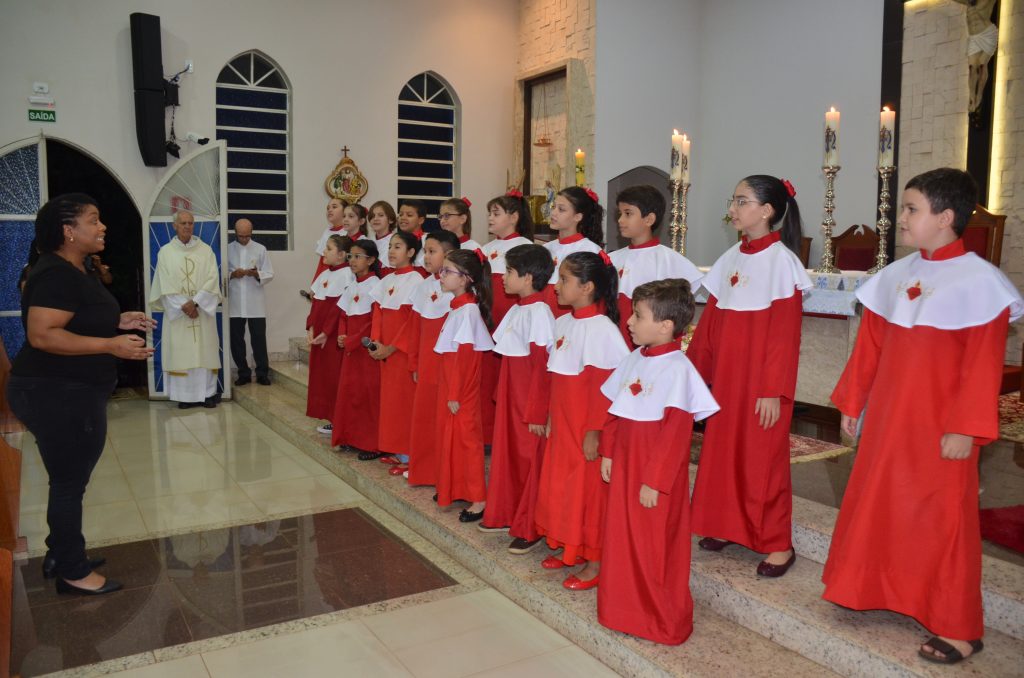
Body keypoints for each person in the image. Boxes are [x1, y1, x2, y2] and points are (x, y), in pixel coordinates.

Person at [822, 168, 1023, 665]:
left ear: (946, 217)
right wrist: (854, 402)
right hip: (890, 418)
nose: (902, 218)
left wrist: (966, 428)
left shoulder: (981, 283)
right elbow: (870, 346)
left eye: (912, 209)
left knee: (943, 517)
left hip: (942, 424)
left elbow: (983, 365)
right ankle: (873, 588)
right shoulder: (897, 274)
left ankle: (959, 626)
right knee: (881, 501)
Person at [8, 193, 155, 595]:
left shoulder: (75, 269)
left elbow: (78, 318)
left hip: (66, 389)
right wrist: (110, 345)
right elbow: (43, 335)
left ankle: (61, 552)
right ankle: (73, 572)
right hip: (55, 391)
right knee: (69, 481)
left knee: (68, 478)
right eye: (93, 220)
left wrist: (118, 320)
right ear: (68, 231)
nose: (102, 226)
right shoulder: (55, 273)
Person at [686, 175, 811, 577]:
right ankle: (726, 525)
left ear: (767, 210)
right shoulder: (731, 259)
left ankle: (778, 544)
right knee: (724, 454)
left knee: (761, 461)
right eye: (734, 200)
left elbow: (784, 336)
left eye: (742, 201)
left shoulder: (782, 263)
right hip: (728, 379)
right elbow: (710, 326)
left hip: (761, 385)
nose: (733, 209)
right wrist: (694, 377)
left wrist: (773, 389)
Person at [597, 279, 719, 645]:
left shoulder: (678, 370)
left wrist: (656, 481)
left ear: (665, 326)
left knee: (653, 546)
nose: (629, 321)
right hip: (625, 465)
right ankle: (622, 611)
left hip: (653, 477)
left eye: (638, 316)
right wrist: (607, 451)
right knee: (622, 539)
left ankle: (660, 619)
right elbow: (616, 411)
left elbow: (675, 436)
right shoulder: (635, 358)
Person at [534, 251, 629, 590]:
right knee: (562, 487)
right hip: (563, 421)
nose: (556, 286)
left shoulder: (602, 329)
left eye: (564, 280)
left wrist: (595, 431)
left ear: (587, 287)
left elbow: (604, 389)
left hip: (584, 426)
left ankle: (594, 560)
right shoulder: (563, 322)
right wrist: (549, 415)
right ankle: (569, 547)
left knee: (586, 493)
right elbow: (557, 379)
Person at [479, 244, 556, 555]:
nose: (503, 278)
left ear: (527, 277)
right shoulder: (518, 309)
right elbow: (509, 360)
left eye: (509, 271)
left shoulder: (539, 313)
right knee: (508, 457)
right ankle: (506, 513)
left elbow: (542, 367)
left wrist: (538, 411)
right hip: (512, 398)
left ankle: (529, 525)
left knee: (527, 461)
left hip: (528, 402)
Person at [434, 249, 495, 522]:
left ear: (465, 278)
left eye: (447, 271)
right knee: (453, 439)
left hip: (461, 388)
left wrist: (455, 393)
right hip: (452, 383)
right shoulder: (458, 307)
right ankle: (456, 488)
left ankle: (479, 499)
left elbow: (467, 358)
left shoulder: (468, 310)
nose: (441, 275)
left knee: (467, 441)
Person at [609, 185, 702, 348]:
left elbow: (689, 302)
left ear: (649, 219)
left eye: (628, 213)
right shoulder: (611, 259)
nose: (620, 220)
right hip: (613, 340)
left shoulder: (669, 260)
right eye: (620, 213)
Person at [149, 210, 222, 409]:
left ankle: (207, 394)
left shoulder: (205, 250)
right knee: (182, 353)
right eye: (183, 223)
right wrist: (185, 306)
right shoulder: (166, 252)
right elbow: (164, 284)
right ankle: (184, 397)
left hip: (201, 312)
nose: (188, 226)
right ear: (175, 225)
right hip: (179, 314)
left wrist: (196, 302)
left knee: (204, 352)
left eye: (190, 223)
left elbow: (212, 278)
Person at [364, 231, 426, 461]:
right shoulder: (386, 280)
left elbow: (412, 323)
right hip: (384, 352)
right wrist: (375, 343)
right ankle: (393, 446)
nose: (391, 251)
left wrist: (391, 348)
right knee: (390, 402)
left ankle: (408, 452)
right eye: (390, 246)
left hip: (402, 352)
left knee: (404, 401)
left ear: (411, 252)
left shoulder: (416, 281)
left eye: (398, 247)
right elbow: (378, 313)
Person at [404, 231, 460, 484]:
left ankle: (445, 472)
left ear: (449, 255)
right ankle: (424, 469)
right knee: (425, 417)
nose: (425, 256)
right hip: (427, 363)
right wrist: (414, 361)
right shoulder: (423, 286)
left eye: (432, 251)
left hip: (448, 364)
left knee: (445, 418)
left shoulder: (457, 287)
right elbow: (415, 329)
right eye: (424, 251)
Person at [331, 240, 382, 454]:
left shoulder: (376, 285)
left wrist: (352, 340)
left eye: (358, 256)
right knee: (350, 393)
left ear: (370, 260)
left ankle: (370, 444)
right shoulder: (352, 285)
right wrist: (342, 335)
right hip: (351, 350)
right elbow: (344, 314)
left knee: (366, 396)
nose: (352, 260)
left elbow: (373, 321)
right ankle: (349, 436)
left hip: (365, 350)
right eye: (350, 256)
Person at [306, 235, 353, 433]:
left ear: (341, 255)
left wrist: (326, 332)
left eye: (329, 248)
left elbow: (339, 309)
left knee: (334, 377)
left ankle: (337, 419)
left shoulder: (347, 275)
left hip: (332, 337)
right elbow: (316, 305)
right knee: (322, 378)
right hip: (319, 335)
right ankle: (328, 415)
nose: (324, 252)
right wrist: (310, 327)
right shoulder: (325, 274)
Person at [543, 186, 604, 316]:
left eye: (561, 209)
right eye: (554, 207)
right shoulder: (545, 249)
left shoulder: (591, 250)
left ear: (577, 217)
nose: (553, 213)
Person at [227, 218, 273, 386]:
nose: (244, 239)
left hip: (255, 302)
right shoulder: (227, 249)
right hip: (235, 302)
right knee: (236, 340)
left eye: (247, 236)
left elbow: (269, 273)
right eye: (241, 236)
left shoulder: (260, 249)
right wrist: (233, 274)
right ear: (235, 233)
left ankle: (262, 373)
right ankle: (243, 373)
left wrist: (256, 274)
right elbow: (220, 273)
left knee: (259, 339)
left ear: (251, 232)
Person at [482, 191, 535, 326]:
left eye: (496, 214)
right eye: (489, 214)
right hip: (488, 309)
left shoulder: (525, 246)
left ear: (513, 218)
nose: (490, 218)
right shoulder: (485, 248)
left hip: (512, 309)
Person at [952, 0, 999, 113]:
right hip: (973, 37)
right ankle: (972, 97)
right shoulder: (967, 2)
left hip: (987, 34)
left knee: (982, 65)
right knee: (972, 68)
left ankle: (980, 95)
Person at [310, 198, 348, 284]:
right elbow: (322, 262)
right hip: (326, 276)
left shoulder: (348, 232)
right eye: (328, 208)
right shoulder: (327, 231)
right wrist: (316, 283)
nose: (330, 210)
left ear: (345, 211)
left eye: (334, 207)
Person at [368, 200, 398, 277]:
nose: (375, 219)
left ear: (390, 220)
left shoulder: (396, 241)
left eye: (381, 215)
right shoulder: (368, 241)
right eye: (372, 216)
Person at [398, 199, 428, 268]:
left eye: (409, 215)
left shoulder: (427, 241)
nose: (403, 218)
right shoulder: (395, 240)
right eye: (401, 214)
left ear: (421, 220)